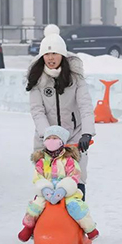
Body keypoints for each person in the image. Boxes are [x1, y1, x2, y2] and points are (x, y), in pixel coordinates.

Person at [27, 24, 95, 198]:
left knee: (76, 182)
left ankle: (77, 212)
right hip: (46, 140)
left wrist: (87, 133)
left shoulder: (75, 77)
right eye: (47, 54)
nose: (50, 58)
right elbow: (37, 111)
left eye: (55, 53)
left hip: (73, 137)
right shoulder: (36, 78)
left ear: (62, 55)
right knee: (46, 185)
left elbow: (85, 105)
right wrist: (49, 136)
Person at [18, 125, 99, 243]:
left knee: (75, 206)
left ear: (62, 142)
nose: (51, 141)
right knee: (36, 205)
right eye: (48, 138)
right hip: (47, 192)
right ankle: (29, 227)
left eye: (55, 138)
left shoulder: (69, 160)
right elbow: (38, 176)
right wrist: (44, 188)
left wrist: (63, 189)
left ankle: (89, 229)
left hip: (67, 192)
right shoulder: (41, 161)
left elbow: (74, 175)